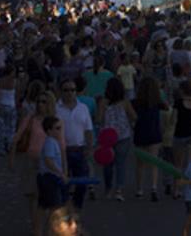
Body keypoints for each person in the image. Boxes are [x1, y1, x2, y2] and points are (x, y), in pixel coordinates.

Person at [55, 80, 94, 210]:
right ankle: (65, 209)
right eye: (66, 90)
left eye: (73, 90)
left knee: (82, 182)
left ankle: (76, 208)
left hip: (79, 150)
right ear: (61, 92)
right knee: (63, 183)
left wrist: (89, 147)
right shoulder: (55, 108)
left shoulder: (83, 108)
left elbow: (88, 129)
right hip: (62, 151)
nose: (70, 93)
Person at [98, 76, 136, 202]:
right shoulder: (125, 102)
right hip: (123, 136)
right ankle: (119, 189)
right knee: (121, 163)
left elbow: (98, 119)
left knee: (107, 164)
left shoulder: (103, 103)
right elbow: (134, 116)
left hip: (107, 137)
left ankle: (108, 188)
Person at [35, 116, 68, 234]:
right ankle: (49, 232)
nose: (60, 131)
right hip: (49, 178)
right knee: (54, 207)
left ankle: (40, 232)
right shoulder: (50, 142)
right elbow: (49, 161)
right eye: (57, 128)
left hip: (47, 177)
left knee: (44, 205)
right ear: (49, 131)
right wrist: (61, 174)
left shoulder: (53, 142)